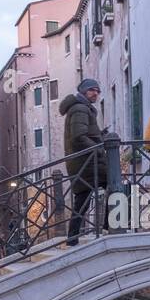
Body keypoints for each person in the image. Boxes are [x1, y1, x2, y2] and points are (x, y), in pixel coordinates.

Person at [60, 79, 106, 246]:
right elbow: (78, 137)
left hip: (84, 162)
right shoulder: (80, 108)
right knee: (114, 187)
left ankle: (73, 237)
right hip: (86, 161)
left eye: (97, 91)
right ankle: (109, 226)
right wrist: (99, 148)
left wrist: (100, 135)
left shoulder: (82, 108)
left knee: (83, 199)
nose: (95, 93)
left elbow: (84, 133)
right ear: (84, 92)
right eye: (92, 90)